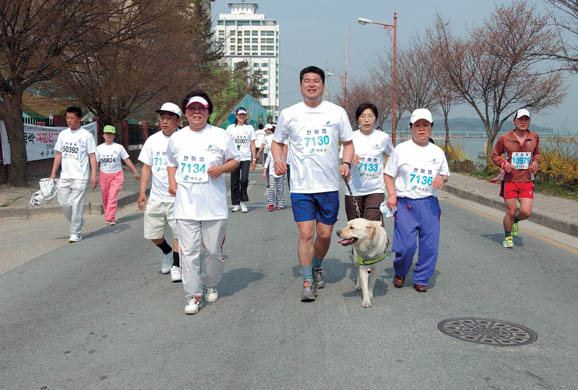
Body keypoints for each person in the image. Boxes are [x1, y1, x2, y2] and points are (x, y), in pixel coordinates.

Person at [272, 65, 354, 301]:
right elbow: (277, 142)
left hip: (328, 186)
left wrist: (346, 162)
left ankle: (317, 265)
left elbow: (348, 143)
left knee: (325, 235)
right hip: (301, 187)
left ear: (323, 86)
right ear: (300, 86)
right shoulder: (289, 114)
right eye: (306, 80)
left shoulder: (336, 113)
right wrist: (279, 159)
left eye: (315, 81)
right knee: (306, 234)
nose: (311, 84)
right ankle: (308, 280)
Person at [167, 91, 239, 315]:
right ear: (185, 113)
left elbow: (235, 160)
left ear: (208, 111)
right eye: (192, 109)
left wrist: (221, 169)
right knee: (188, 253)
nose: (196, 112)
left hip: (214, 207)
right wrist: (172, 182)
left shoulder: (221, 135)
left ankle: (211, 282)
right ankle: (193, 295)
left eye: (201, 108)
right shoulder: (177, 138)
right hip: (185, 207)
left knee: (213, 252)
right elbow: (171, 162)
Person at [384, 108, 450, 293]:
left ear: (431, 128)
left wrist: (441, 179)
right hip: (406, 204)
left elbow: (444, 174)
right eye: (417, 125)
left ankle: (421, 277)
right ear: (411, 127)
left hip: (429, 204)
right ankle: (401, 271)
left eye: (425, 125)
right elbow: (388, 175)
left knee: (430, 245)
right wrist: (391, 194)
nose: (421, 129)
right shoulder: (401, 150)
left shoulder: (437, 152)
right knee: (406, 246)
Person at [138, 102, 181, 281]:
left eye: (169, 119)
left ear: (177, 121)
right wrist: (142, 193)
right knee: (152, 234)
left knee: (179, 233)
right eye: (162, 118)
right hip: (156, 196)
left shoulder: (184, 139)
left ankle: (177, 266)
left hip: (178, 197)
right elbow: (147, 167)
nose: (164, 122)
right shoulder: (153, 140)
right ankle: (167, 252)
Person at [491, 108, 540, 249]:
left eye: (526, 119)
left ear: (529, 121)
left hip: (526, 181)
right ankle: (508, 236)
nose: (523, 122)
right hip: (510, 181)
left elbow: (537, 154)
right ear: (515, 121)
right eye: (520, 119)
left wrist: (535, 162)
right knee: (510, 211)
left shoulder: (534, 137)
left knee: (526, 212)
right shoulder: (505, 138)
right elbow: (494, 155)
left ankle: (515, 221)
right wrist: (504, 164)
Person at [49, 106, 97, 243]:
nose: (69, 121)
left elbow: (92, 156)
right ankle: (78, 221)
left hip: (80, 176)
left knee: (77, 205)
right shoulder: (63, 134)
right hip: (65, 175)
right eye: (67, 118)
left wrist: (94, 175)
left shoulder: (86, 135)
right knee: (64, 204)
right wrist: (53, 173)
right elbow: (58, 154)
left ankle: (76, 232)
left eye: (72, 118)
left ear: (79, 119)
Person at [342, 103, 394, 222]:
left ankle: (378, 240)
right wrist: (350, 158)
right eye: (362, 116)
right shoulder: (350, 137)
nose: (366, 120)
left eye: (370, 116)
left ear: (375, 118)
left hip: (376, 189)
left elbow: (391, 153)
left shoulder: (383, 137)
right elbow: (343, 157)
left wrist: (387, 169)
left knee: (372, 225)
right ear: (357, 119)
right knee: (355, 227)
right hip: (354, 189)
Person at [96, 125, 140, 225]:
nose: (108, 135)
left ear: (114, 135)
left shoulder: (119, 147)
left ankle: (110, 218)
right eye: (107, 133)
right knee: (105, 197)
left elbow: (126, 160)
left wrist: (135, 171)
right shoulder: (99, 148)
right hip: (104, 175)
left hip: (117, 175)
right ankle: (108, 214)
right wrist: (93, 175)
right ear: (103, 135)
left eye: (111, 134)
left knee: (112, 196)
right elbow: (95, 163)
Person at [226, 107, 256, 213]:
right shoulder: (230, 128)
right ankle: (236, 203)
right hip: (234, 158)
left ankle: (243, 202)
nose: (241, 116)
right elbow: (227, 144)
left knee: (244, 180)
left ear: (245, 116)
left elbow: (252, 143)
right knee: (234, 181)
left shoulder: (249, 128)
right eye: (240, 114)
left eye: (243, 114)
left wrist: (254, 158)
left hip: (246, 157)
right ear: (236, 116)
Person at [262, 143, 285, 211]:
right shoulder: (270, 153)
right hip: (272, 173)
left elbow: (285, 162)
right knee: (271, 188)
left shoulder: (283, 153)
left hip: (280, 173)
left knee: (280, 189)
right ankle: (271, 203)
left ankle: (279, 204)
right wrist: (264, 172)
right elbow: (267, 162)